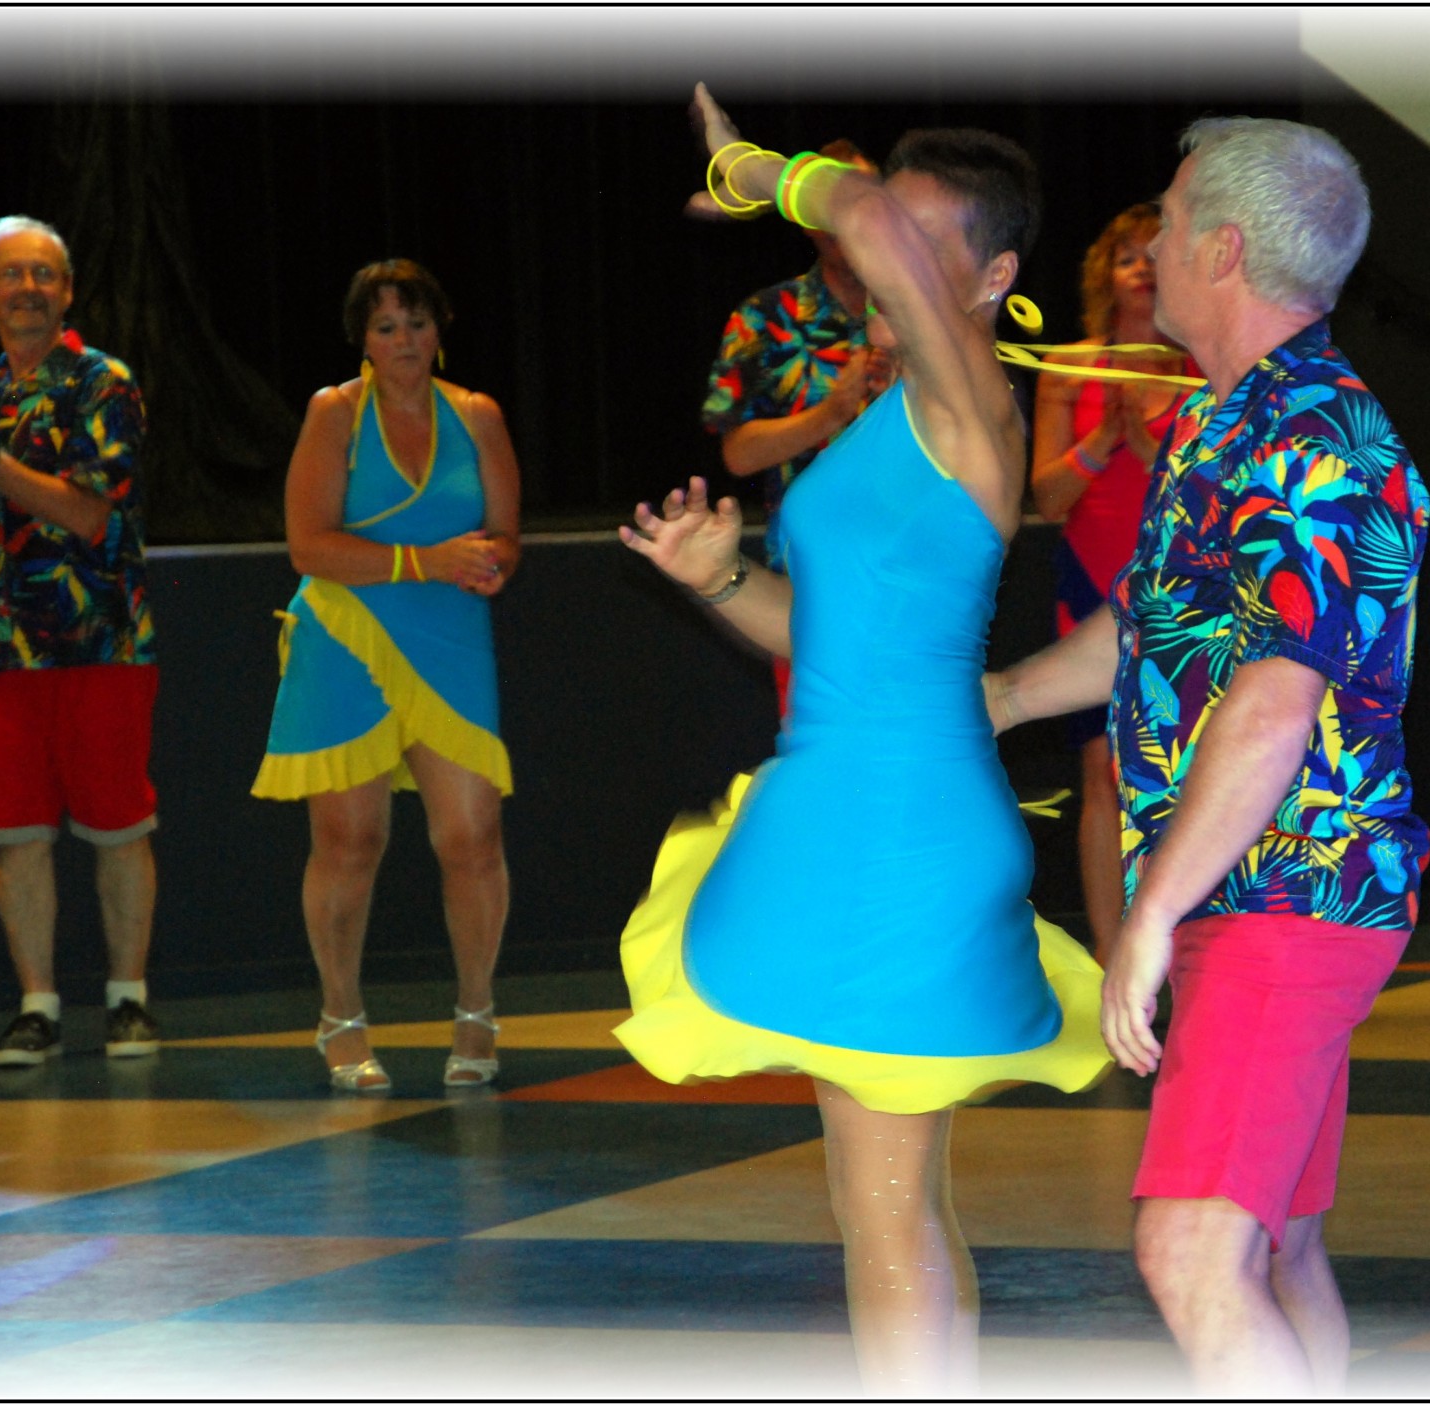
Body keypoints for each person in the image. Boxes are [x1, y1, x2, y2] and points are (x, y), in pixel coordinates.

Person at [617, 86, 1109, 1394]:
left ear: (995, 281)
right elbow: (828, 640)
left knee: (885, 1207)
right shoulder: (895, 416)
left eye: (925, 237)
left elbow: (865, 221)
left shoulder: (972, 404)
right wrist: (720, 578)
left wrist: (752, 169)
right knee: (889, 1197)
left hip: (899, 828)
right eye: (892, 227)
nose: (885, 248)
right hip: (855, 807)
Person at [986, 118, 1430, 1394]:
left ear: (1225, 249)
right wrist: (1003, 696)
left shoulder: (1319, 436)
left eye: (1172, 222)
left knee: (1189, 1249)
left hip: (1285, 891)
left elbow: (1276, 702)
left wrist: (1147, 913)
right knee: (1277, 1246)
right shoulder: (1221, 422)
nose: (1152, 248)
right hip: (1265, 890)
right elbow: (1155, 624)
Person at [251, 259, 522, 1092]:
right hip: (345, 634)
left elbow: (507, 537)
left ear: (440, 330)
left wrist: (491, 564)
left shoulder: (478, 415)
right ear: (362, 341)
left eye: (417, 323)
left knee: (471, 835)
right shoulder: (333, 413)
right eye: (385, 327)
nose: (404, 340)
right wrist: (426, 560)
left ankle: (477, 1013)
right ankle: (340, 1016)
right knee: (350, 839)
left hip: (448, 635)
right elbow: (309, 546)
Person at [0, 215, 162, 1068]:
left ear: (68, 290)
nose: (27, 289)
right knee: (16, 835)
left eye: (43, 274)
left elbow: (88, 515)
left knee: (119, 826)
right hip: (5, 649)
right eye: (9, 275)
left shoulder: (102, 382)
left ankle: (128, 1001)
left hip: (104, 644)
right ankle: (37, 1008)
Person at [1030, 202, 1200, 962]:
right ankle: (1112, 955)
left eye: (1151, 252)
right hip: (1092, 586)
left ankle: (1186, 950)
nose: (1140, 267)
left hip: (1184, 590)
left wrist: (1150, 447)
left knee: (1186, 772)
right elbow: (1048, 498)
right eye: (1125, 255)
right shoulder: (1070, 367)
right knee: (1102, 771)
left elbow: (1217, 495)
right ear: (1105, 273)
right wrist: (1104, 440)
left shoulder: (1205, 364)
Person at [699, 139, 893, 712]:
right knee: (823, 734)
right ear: (806, 219)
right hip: (810, 575)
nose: (848, 215)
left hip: (914, 565)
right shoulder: (765, 317)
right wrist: (831, 412)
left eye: (863, 198)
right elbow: (738, 454)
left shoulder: (920, 312)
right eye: (831, 200)